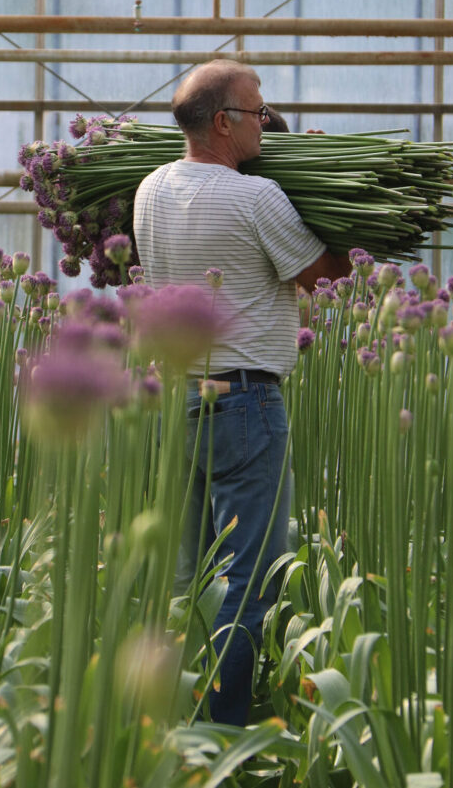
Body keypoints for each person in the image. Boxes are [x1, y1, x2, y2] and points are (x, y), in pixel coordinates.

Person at [132, 58, 347, 726]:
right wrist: (331, 194)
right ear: (223, 122)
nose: (266, 119)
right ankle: (222, 729)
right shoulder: (258, 197)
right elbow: (325, 275)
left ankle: (172, 721)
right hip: (246, 402)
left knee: (187, 579)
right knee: (250, 580)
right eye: (257, 111)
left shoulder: (149, 187)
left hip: (179, 401)